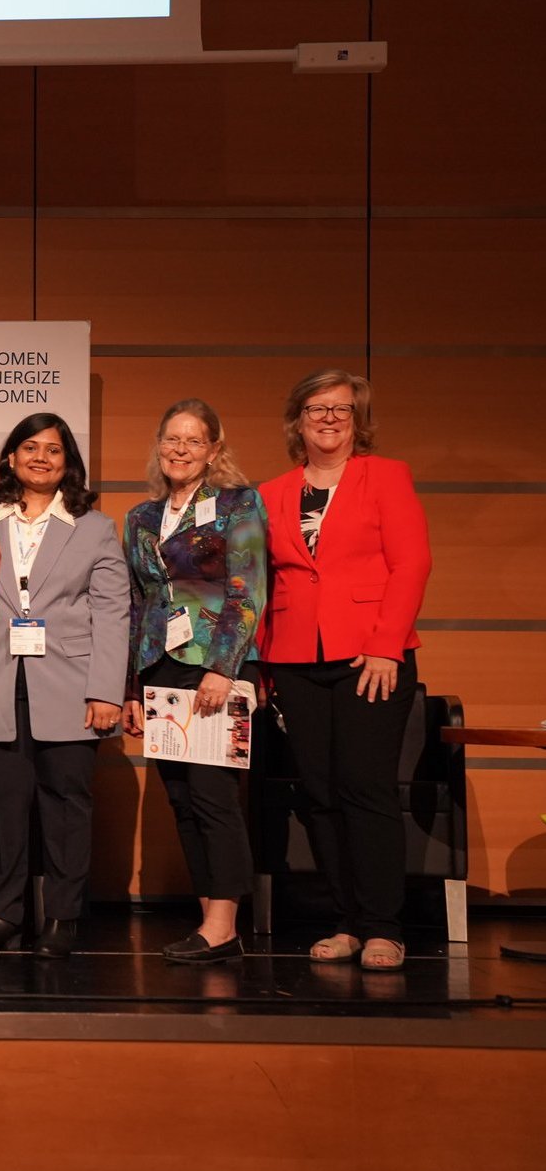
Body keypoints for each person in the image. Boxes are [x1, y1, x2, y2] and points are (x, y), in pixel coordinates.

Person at [259, 370, 431, 972]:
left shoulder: (385, 476)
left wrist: (387, 645)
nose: (329, 418)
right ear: (297, 419)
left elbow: (411, 563)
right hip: (295, 658)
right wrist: (261, 662)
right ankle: (348, 922)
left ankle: (385, 926)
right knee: (320, 794)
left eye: (341, 409)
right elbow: (260, 581)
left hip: (370, 658)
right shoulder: (272, 491)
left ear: (358, 420)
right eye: (316, 408)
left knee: (366, 788)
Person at [0, 414, 127, 960]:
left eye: (53, 450)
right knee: (2, 807)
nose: (40, 458)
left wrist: (106, 690)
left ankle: (63, 916)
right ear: (10, 457)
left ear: (68, 463)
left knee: (66, 806)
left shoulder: (95, 527)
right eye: (29, 447)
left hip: (71, 686)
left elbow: (112, 612)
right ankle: (2, 914)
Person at [121, 399, 267, 964]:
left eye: (193, 440)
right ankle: (211, 918)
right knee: (180, 798)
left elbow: (248, 589)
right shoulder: (139, 517)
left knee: (213, 796)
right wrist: (131, 687)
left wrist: (222, 669)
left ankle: (224, 924)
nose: (180, 449)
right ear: (159, 446)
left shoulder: (236, 504)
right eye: (171, 439)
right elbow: (137, 604)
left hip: (215, 664)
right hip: (160, 665)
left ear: (213, 449)